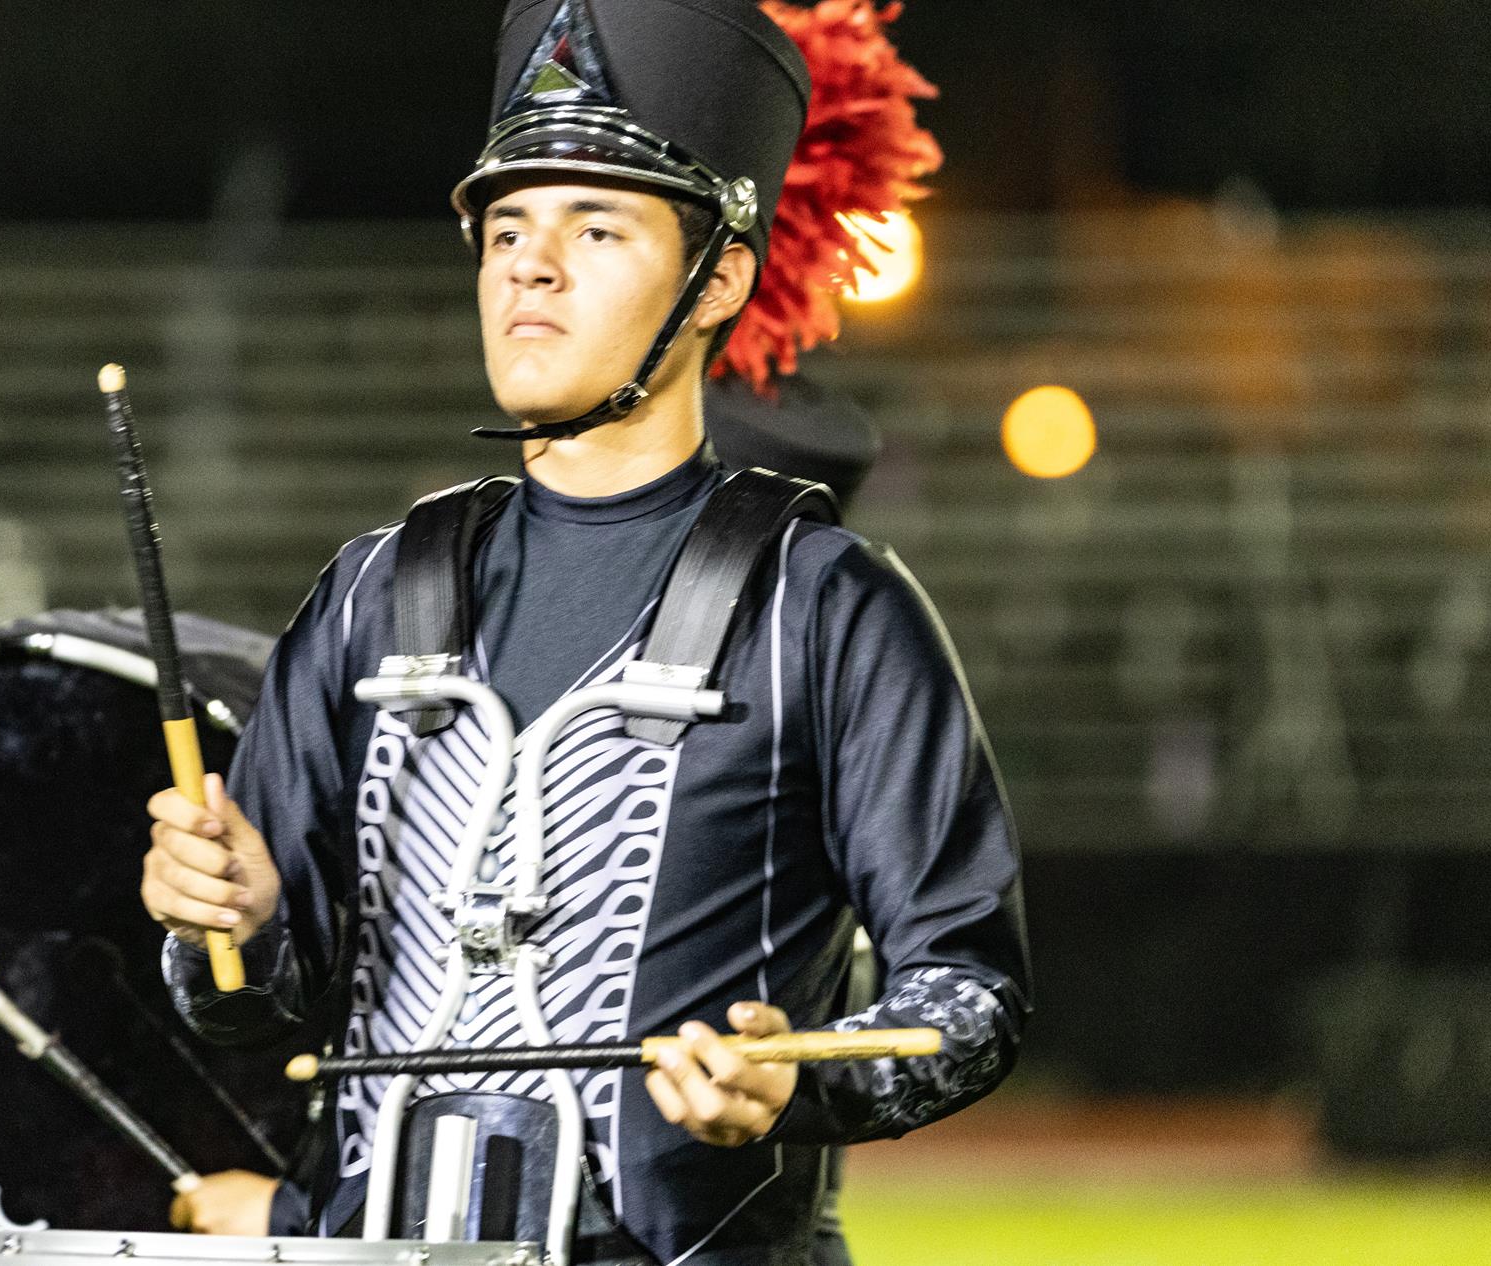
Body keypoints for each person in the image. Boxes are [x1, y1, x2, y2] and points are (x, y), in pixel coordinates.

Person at [142, 1, 1029, 1261]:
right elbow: (248, 1003)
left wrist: (806, 1075)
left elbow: (969, 993)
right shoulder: (367, 591)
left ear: (719, 276)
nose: (529, 265)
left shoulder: (827, 604)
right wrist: (218, 920)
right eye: (506, 227)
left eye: (594, 227)